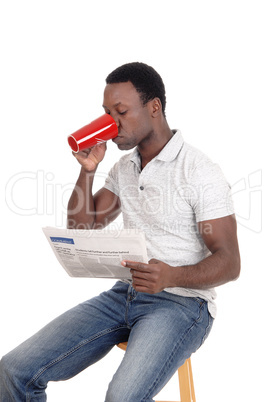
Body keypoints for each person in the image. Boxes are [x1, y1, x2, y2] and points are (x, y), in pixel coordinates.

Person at [0, 62, 240, 401]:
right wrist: (88, 171)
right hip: (123, 295)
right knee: (13, 370)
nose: (111, 124)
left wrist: (170, 276)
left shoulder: (200, 172)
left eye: (121, 112)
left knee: (121, 397)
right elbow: (84, 224)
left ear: (154, 108)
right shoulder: (124, 166)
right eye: (106, 112)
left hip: (182, 305)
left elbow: (230, 262)